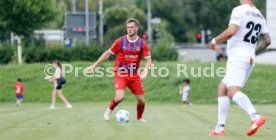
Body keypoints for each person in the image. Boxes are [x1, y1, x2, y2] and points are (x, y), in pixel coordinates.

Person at [209, 0, 271, 136]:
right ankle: (220, 128)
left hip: (238, 56)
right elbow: (267, 40)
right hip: (248, 57)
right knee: (222, 88)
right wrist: (252, 51)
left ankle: (255, 116)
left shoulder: (239, 10)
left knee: (232, 91)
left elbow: (231, 31)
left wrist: (214, 41)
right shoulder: (259, 14)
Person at [86, 18, 152, 122]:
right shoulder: (120, 41)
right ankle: (109, 110)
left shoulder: (142, 44)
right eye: (128, 27)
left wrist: (146, 70)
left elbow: (148, 60)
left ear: (137, 28)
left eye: (132, 27)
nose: (129, 29)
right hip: (121, 73)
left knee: (141, 100)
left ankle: (139, 118)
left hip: (134, 75)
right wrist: (94, 66)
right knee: (120, 97)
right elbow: (107, 53)